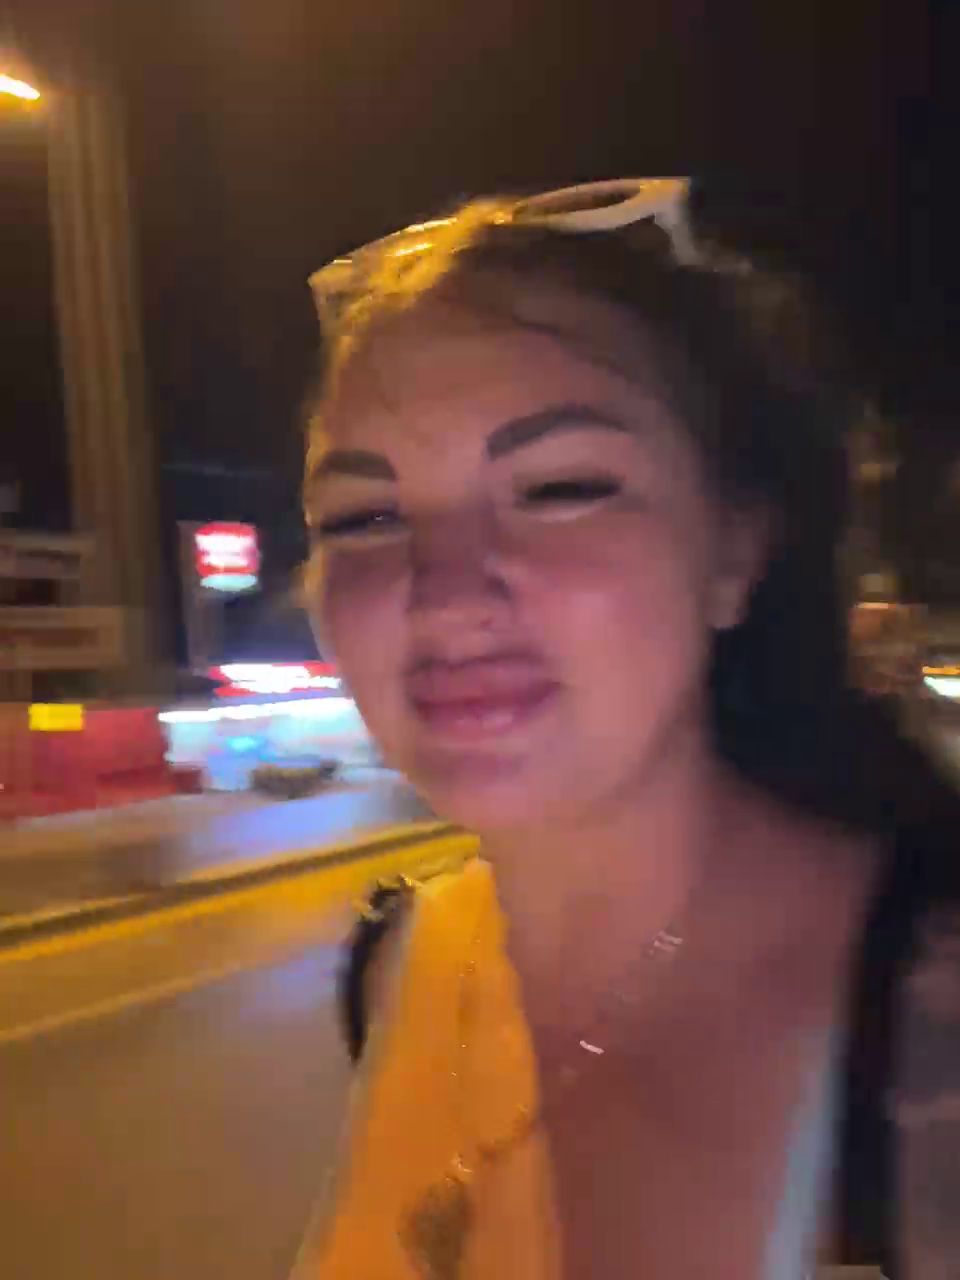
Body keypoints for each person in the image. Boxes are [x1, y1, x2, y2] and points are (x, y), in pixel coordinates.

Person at [294, 179, 960, 1279]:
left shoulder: (922, 1028)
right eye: (365, 516)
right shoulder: (404, 965)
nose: (446, 595)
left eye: (561, 487)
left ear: (736, 549)